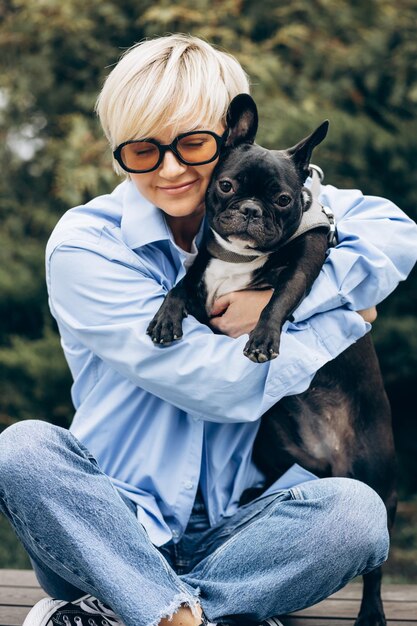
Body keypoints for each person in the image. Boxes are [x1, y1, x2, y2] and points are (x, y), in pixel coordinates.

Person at [1, 34, 417, 626]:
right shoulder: (87, 244)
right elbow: (220, 384)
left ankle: (134, 613)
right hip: (110, 529)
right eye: (142, 151)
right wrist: (346, 315)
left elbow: (395, 231)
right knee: (23, 450)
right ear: (119, 153)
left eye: (192, 144)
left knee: (356, 514)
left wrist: (284, 302)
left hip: (244, 529)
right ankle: (207, 606)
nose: (170, 169)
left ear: (232, 137)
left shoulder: (273, 195)